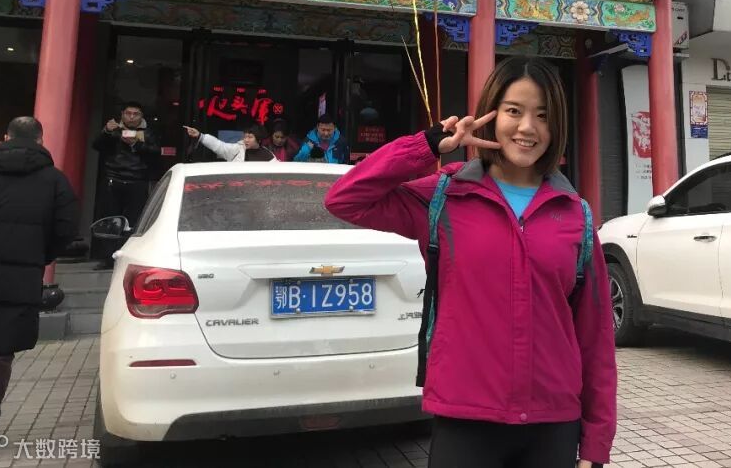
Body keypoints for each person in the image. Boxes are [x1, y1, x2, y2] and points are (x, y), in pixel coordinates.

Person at [325, 57, 616, 468]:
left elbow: (595, 337)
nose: (527, 127)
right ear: (490, 115)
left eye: (542, 116)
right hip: (465, 419)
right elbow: (345, 199)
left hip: (552, 425)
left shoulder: (575, 215)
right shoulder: (446, 196)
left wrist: (597, 444)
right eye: (513, 111)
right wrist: (429, 144)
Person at [0, 117, 78, 463]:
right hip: (18, 281)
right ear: (41, 140)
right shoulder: (55, 181)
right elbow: (66, 230)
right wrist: (39, 256)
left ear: (5, 137)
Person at [91, 102, 159, 270]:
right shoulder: (114, 129)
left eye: (136, 114)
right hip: (114, 179)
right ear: (122, 114)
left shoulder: (148, 132)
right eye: (128, 113)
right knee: (110, 221)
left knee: (134, 222)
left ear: (141, 116)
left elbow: (156, 153)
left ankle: (129, 257)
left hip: (137, 181)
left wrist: (135, 144)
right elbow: (96, 146)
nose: (131, 117)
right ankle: (108, 258)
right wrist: (106, 131)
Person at [184, 123, 275, 162]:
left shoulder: (268, 156)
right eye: (245, 136)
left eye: (250, 137)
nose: (246, 140)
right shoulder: (238, 149)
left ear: (259, 139)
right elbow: (219, 146)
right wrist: (200, 136)